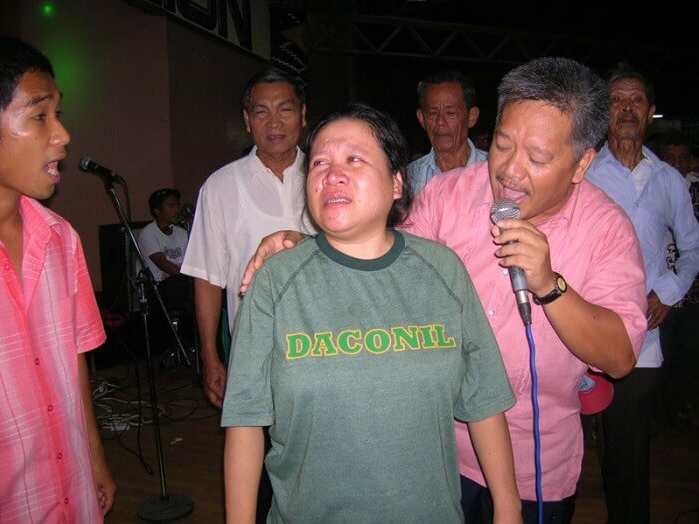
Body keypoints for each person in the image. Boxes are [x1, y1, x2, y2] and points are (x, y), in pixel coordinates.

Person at [241, 57, 648, 524]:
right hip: (430, 453)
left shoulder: (608, 229)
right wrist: (305, 246)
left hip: (532, 464)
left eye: (537, 159)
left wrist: (549, 286)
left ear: (581, 163)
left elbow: (619, 358)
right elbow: (375, 256)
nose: (510, 171)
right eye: (502, 145)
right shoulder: (445, 195)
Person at [222, 103, 521, 523]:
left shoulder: (442, 271)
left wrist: (508, 508)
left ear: (397, 182)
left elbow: (484, 400)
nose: (332, 174)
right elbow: (245, 421)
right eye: (320, 163)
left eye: (354, 159)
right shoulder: (275, 280)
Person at [0, 37, 116, 521]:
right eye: (39, 115)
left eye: (58, 114)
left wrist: (95, 457)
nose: (63, 135)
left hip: (73, 495)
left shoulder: (61, 239)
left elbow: (74, 362)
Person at [586, 64, 699, 523]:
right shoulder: (583, 172)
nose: (627, 109)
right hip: (580, 327)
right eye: (617, 100)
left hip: (641, 334)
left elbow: (693, 247)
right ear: (604, 111)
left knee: (629, 450)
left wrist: (668, 292)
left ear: (650, 111)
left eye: (636, 100)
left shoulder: (667, 180)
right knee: (569, 444)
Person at [181, 68, 315, 409]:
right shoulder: (219, 187)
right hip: (253, 349)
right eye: (261, 112)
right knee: (257, 436)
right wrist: (210, 357)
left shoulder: (326, 176)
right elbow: (207, 278)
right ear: (246, 120)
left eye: (285, 109)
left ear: (302, 115)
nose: (274, 122)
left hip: (325, 342)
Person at [657, 133, 699, 431]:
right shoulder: (654, 188)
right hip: (658, 289)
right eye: (669, 157)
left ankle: (676, 406)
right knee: (661, 351)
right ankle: (655, 409)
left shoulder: (695, 191)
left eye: (681, 157)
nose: (676, 163)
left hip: (692, 290)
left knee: (688, 351)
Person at [407, 70, 487, 194]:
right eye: (432, 113)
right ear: (422, 119)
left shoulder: (496, 172)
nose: (440, 121)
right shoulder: (410, 179)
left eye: (450, 113)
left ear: (472, 117)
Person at [138, 187, 192, 312]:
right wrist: (188, 276)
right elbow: (163, 264)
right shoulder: (148, 233)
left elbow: (192, 261)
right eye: (171, 206)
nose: (176, 210)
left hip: (180, 283)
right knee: (180, 284)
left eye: (177, 206)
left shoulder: (182, 233)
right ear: (157, 211)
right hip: (157, 288)